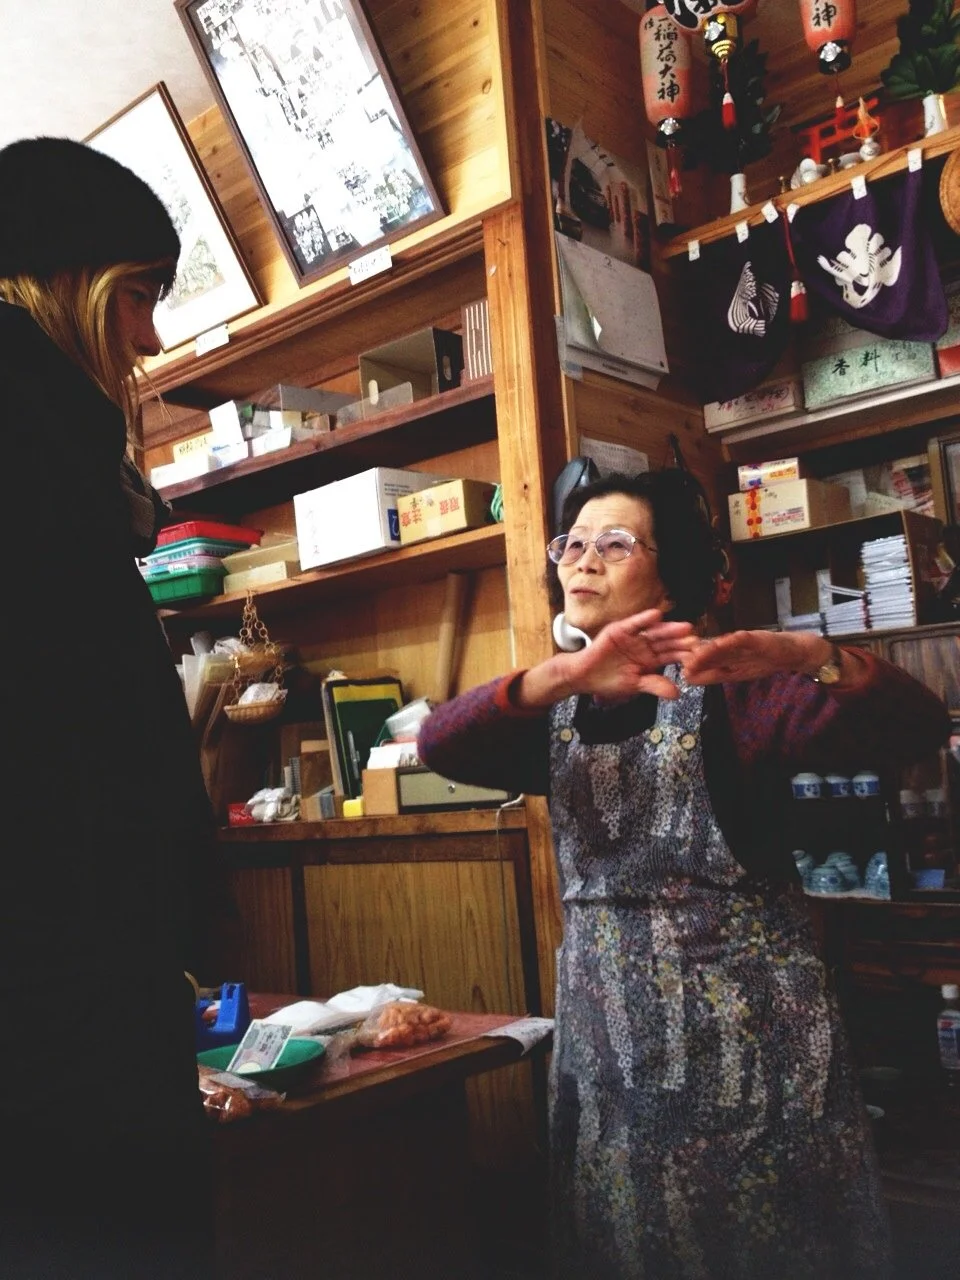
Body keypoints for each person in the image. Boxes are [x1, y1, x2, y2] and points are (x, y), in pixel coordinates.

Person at [418, 469, 951, 1280]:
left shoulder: (738, 696)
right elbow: (439, 745)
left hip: (749, 1057)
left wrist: (816, 656)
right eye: (573, 543)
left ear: (672, 575)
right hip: (610, 1055)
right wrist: (560, 674)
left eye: (616, 543)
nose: (583, 561)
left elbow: (915, 727)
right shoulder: (555, 708)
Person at [0, 138, 217, 1278]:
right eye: (137, 296)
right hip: (60, 982)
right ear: (56, 283)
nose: (148, 338)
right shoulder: (32, 444)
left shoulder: (58, 451)